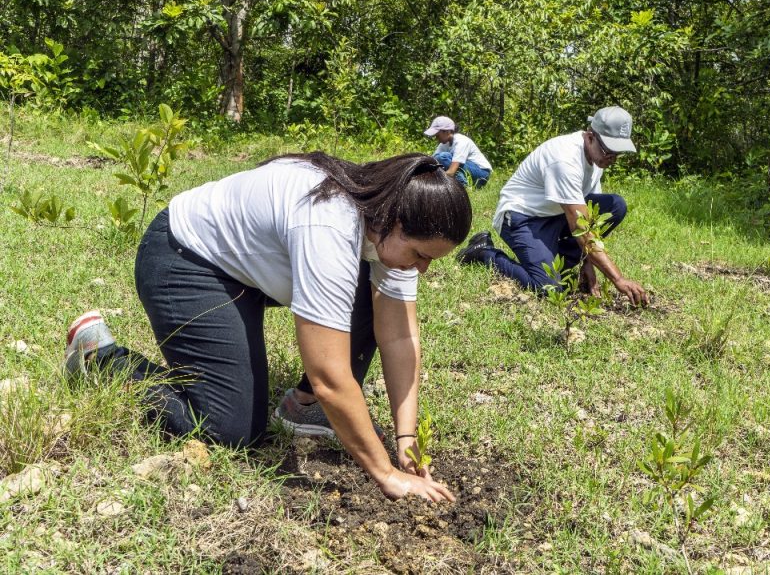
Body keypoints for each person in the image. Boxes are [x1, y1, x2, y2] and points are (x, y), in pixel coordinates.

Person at [63, 152, 472, 502]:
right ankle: (99, 356)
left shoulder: (389, 224)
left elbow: (399, 336)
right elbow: (329, 375)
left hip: (254, 269)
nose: (422, 268)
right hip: (187, 259)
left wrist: (406, 441)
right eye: (419, 254)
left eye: (431, 259)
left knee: (371, 290)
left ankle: (304, 408)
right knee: (230, 429)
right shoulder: (328, 222)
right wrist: (386, 474)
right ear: (392, 218)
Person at [457, 106, 648, 306]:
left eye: (618, 153)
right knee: (549, 289)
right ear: (590, 136)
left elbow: (591, 218)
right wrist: (617, 279)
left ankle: (559, 264)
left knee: (615, 205)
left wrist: (588, 264)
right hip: (522, 218)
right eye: (609, 150)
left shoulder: (596, 157)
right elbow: (582, 229)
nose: (612, 158)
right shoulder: (565, 159)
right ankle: (484, 252)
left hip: (555, 214)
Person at [423, 116, 492, 188]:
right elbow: (433, 160)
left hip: (481, 173)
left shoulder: (461, 141)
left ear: (447, 131)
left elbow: (452, 171)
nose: (436, 138)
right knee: (438, 158)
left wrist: (437, 181)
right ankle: (460, 182)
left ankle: (462, 185)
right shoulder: (444, 144)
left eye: (437, 135)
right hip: (468, 170)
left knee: (442, 157)